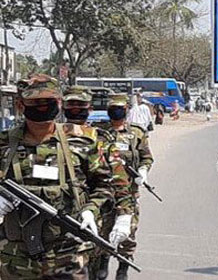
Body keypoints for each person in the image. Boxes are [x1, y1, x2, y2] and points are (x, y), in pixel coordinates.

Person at [0, 74, 114, 279]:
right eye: (35, 102)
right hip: (15, 258)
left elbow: (105, 186)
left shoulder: (83, 141)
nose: (43, 106)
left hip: (68, 254)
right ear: (20, 104)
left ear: (60, 103)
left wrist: (91, 210)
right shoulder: (5, 143)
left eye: (49, 101)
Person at [63, 86, 134, 280]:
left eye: (81, 105)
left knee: (90, 270)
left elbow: (118, 180)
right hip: (53, 219)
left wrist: (124, 215)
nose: (76, 109)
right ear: (62, 106)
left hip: (92, 217)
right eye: (71, 104)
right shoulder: (48, 137)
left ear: (89, 109)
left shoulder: (101, 140)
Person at [97, 94, 154, 280]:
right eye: (113, 108)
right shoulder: (98, 132)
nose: (116, 111)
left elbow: (146, 156)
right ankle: (103, 262)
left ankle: (123, 267)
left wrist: (143, 170)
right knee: (102, 230)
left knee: (128, 231)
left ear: (127, 110)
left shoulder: (136, 133)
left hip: (129, 191)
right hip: (103, 190)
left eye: (120, 108)